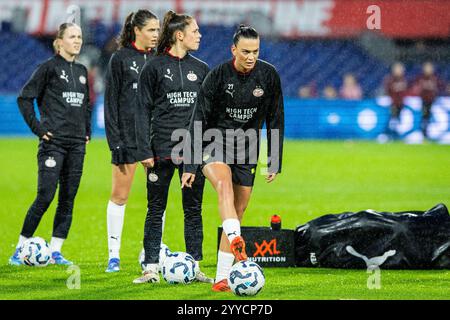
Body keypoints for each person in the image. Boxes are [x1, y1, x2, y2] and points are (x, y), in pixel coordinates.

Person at [181, 25, 284, 292]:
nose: (251, 56)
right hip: (214, 142)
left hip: (247, 147)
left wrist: (273, 159)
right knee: (223, 186)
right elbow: (198, 119)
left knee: (238, 211)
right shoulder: (217, 76)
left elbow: (275, 118)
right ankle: (238, 241)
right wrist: (191, 164)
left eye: (256, 51)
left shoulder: (269, 76)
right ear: (233, 49)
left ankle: (221, 278)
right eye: (246, 51)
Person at [133, 11, 212, 284]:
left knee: (193, 211)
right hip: (160, 152)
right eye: (195, 31)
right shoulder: (153, 68)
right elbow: (141, 111)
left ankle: (195, 265)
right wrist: (143, 150)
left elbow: (206, 117)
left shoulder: (202, 70)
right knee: (155, 209)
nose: (199, 36)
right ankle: (151, 267)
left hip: (192, 153)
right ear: (180, 35)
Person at [10, 23, 91, 266]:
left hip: (77, 144)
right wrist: (39, 129)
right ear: (60, 41)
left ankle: (56, 251)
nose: (77, 41)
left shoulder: (82, 71)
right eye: (72, 37)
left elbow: (86, 104)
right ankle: (19, 248)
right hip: (53, 144)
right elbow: (24, 98)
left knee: (68, 198)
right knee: (45, 195)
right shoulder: (47, 68)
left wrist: (86, 131)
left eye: (79, 36)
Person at [104, 10, 160, 273]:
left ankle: (151, 250)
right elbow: (110, 103)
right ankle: (113, 255)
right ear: (137, 30)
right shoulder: (120, 59)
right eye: (151, 30)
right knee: (120, 196)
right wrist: (114, 141)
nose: (156, 35)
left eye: (158, 30)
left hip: (154, 140)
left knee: (156, 200)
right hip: (127, 139)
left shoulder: (160, 59)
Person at [413, 61, 445, 138]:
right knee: (424, 117)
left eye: (429, 68)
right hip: (423, 101)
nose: (428, 69)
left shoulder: (435, 78)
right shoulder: (420, 78)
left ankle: (430, 134)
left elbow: (442, 87)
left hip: (433, 102)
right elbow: (415, 88)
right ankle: (423, 134)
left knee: (431, 118)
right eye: (427, 68)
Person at [383, 62, 408, 139]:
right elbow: (387, 91)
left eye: (399, 69)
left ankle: (397, 136)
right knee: (392, 120)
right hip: (393, 104)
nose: (398, 70)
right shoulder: (390, 80)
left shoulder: (405, 80)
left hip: (402, 104)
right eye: (396, 69)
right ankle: (389, 135)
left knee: (400, 121)